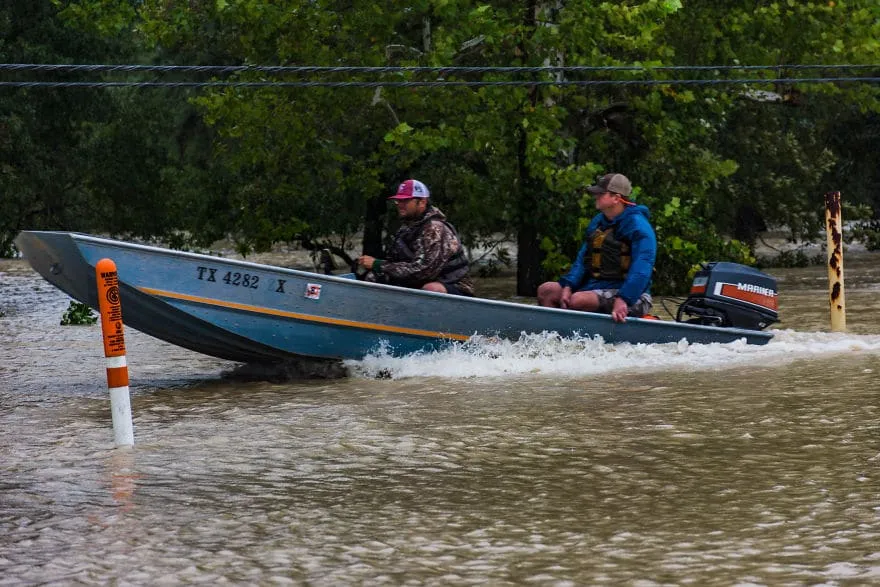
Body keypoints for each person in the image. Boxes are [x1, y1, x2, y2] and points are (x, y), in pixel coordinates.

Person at [537, 173, 656, 323]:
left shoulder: (639, 227)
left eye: (601, 193)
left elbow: (642, 268)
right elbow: (583, 259)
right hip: (596, 286)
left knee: (577, 301)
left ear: (616, 198)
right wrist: (568, 285)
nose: (596, 196)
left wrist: (624, 299)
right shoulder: (598, 222)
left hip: (634, 296)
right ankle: (550, 335)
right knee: (546, 291)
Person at [357, 179, 474, 296]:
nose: (399, 204)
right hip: (418, 281)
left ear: (422, 202)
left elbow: (424, 271)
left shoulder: (435, 229)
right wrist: (376, 267)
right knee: (373, 277)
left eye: (405, 200)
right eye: (398, 200)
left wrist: (378, 264)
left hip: (453, 285)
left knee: (431, 289)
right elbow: (395, 263)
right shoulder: (406, 229)